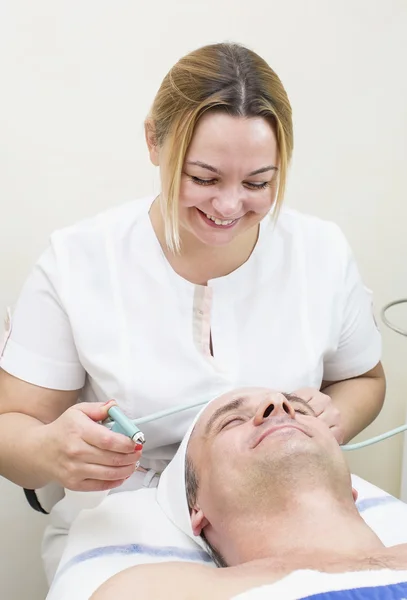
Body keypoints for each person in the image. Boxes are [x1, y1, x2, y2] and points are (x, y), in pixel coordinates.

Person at [0, 42, 385, 579]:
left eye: (258, 183)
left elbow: (364, 379)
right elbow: (9, 426)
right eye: (203, 177)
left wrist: (333, 418)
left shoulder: (320, 252)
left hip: (292, 509)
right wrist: (50, 449)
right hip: (131, 517)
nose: (229, 206)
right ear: (155, 142)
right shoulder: (78, 262)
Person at [91, 388, 407, 600]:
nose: (279, 404)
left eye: (299, 409)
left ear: (352, 488)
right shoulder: (149, 592)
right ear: (195, 508)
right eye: (230, 421)